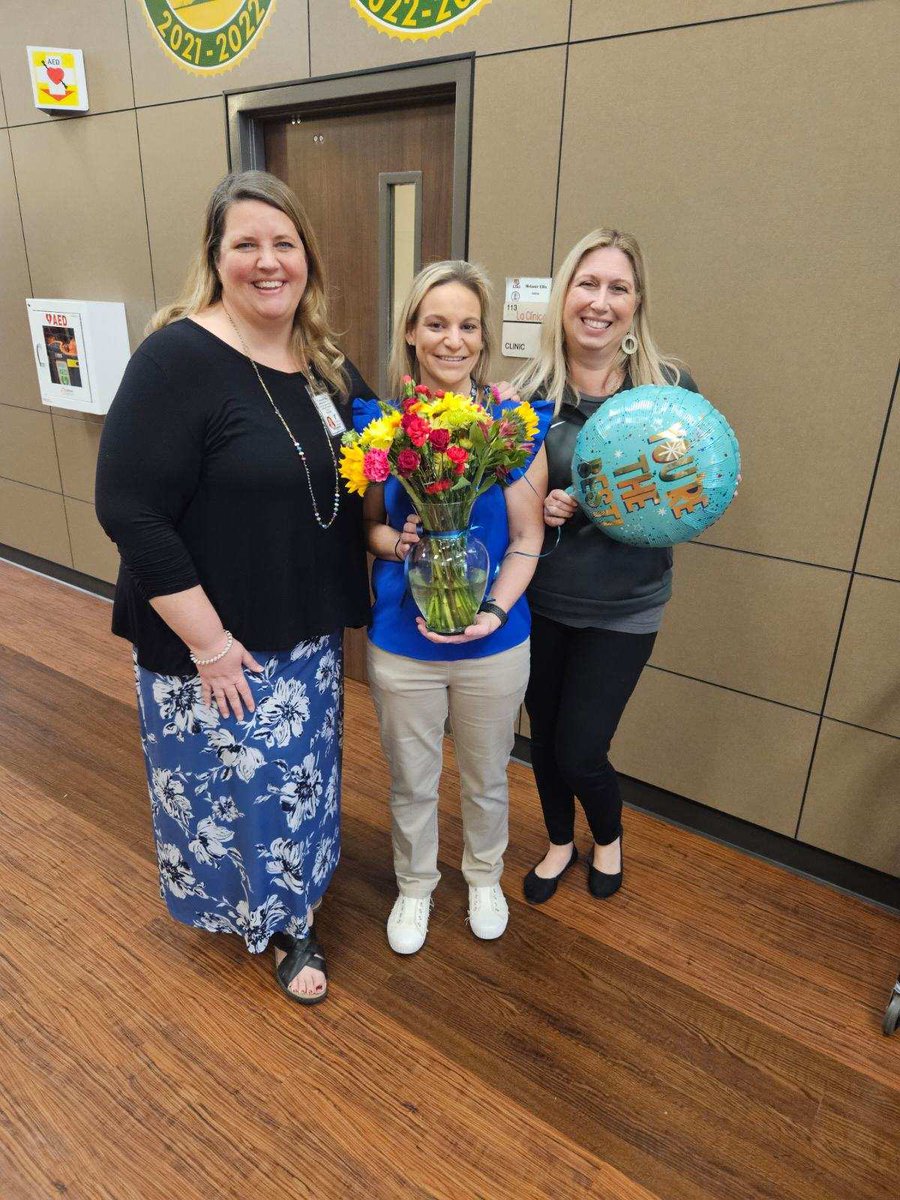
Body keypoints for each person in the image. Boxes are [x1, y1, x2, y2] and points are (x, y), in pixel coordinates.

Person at [95, 170, 377, 1004]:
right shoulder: (178, 357)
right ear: (216, 258)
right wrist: (211, 647)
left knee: (297, 786)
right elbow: (129, 510)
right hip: (213, 641)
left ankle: (296, 908)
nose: (267, 261)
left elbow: (383, 455)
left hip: (305, 632)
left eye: (283, 244)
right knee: (232, 796)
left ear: (307, 260)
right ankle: (274, 924)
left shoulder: (325, 364)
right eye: (245, 244)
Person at [356, 261, 550, 954]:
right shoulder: (383, 428)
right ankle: (414, 887)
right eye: (436, 324)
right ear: (411, 333)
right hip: (402, 639)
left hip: (494, 642)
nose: (453, 340)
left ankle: (483, 876)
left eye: (468, 326)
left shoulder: (510, 426)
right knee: (411, 779)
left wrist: (493, 611)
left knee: (486, 774)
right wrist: (396, 539)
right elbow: (371, 529)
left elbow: (529, 538)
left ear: (483, 337)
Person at [514, 229, 699, 903]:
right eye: (587, 284)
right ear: (565, 296)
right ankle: (560, 841)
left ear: (636, 301)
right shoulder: (529, 395)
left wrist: (592, 504)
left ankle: (608, 838)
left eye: (617, 287)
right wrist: (538, 505)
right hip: (542, 601)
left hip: (627, 605)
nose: (600, 301)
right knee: (543, 738)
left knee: (582, 747)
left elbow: (685, 497)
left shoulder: (668, 391)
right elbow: (509, 506)